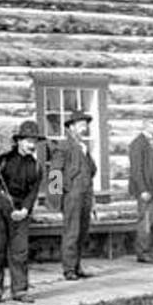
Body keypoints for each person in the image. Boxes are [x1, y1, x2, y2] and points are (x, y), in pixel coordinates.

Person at [0, 120, 43, 304]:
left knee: (20, 251)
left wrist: (25, 210)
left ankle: (20, 291)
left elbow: (33, 192)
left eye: (34, 141)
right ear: (19, 141)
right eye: (28, 140)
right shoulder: (2, 156)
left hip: (20, 210)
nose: (31, 145)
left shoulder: (36, 166)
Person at [57, 110, 97, 280]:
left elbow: (92, 171)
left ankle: (77, 266)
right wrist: (58, 197)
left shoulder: (83, 146)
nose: (84, 127)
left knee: (82, 232)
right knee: (71, 233)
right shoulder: (63, 146)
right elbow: (55, 172)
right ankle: (69, 269)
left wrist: (86, 153)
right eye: (81, 124)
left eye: (85, 124)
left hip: (86, 194)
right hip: (72, 195)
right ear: (71, 127)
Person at [127, 118, 153, 264]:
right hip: (146, 188)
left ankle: (148, 250)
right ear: (146, 125)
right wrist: (143, 189)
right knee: (145, 220)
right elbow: (136, 170)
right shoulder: (138, 143)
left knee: (152, 221)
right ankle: (142, 252)